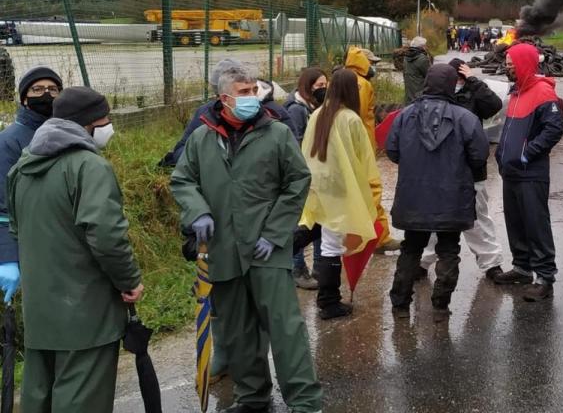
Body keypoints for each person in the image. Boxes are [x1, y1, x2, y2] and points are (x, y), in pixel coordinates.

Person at [171, 65, 322, 413]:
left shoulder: (277, 133)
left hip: (266, 249)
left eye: (254, 89)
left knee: (286, 329)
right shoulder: (201, 138)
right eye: (243, 92)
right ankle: (252, 396)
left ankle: (305, 401)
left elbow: (297, 182)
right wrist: (197, 211)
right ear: (223, 98)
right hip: (223, 250)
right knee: (238, 332)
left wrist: (275, 232)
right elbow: (183, 181)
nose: (252, 97)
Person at [8, 87, 143, 413]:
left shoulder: (22, 168)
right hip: (87, 315)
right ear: (89, 123)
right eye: (106, 119)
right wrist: (129, 281)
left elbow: (16, 228)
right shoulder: (88, 167)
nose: (109, 127)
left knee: (39, 398)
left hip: (41, 313)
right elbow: (107, 236)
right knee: (83, 400)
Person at [387, 64, 489, 320]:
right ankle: (440, 306)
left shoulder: (405, 115)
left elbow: (392, 151)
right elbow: (479, 157)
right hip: (452, 197)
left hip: (414, 196)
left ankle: (400, 304)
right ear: (452, 84)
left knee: (411, 249)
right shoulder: (466, 118)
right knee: (449, 249)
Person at [299, 68, 381, 320]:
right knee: (331, 244)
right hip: (339, 188)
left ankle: (278, 250)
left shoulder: (317, 114)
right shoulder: (350, 119)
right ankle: (329, 301)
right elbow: (363, 158)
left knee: (318, 229)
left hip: (318, 184)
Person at [420, 58, 506, 281]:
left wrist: (474, 81)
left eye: (461, 77)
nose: (457, 82)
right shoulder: (432, 100)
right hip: (439, 171)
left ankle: (491, 263)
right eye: (454, 78)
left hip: (469, 171)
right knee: (432, 218)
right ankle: (422, 261)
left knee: (477, 218)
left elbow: (495, 105)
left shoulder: (473, 93)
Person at [492, 43, 563, 301]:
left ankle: (545, 277)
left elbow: (554, 130)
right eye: (507, 64)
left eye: (511, 65)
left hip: (530, 172)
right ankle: (522, 267)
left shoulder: (543, 92)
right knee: (516, 222)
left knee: (536, 224)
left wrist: (527, 153)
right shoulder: (517, 92)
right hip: (510, 171)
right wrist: (502, 155)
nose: (507, 68)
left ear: (523, 65)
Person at [0, 66, 63, 305]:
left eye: (53, 89)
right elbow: (2, 205)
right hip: (30, 244)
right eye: (37, 89)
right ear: (25, 98)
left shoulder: (65, 135)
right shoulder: (9, 142)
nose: (46, 95)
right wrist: (7, 256)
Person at [160, 59, 295, 167]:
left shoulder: (275, 114)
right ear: (222, 97)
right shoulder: (206, 113)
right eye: (219, 95)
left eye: (249, 90)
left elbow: (292, 159)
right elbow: (182, 153)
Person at [345, 46, 402, 253]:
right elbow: (355, 117)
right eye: (372, 64)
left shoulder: (345, 81)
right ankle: (379, 239)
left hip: (355, 148)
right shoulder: (361, 85)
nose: (375, 68)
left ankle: (365, 239)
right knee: (372, 192)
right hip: (360, 150)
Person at [283, 67, 328, 290]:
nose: (323, 89)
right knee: (301, 223)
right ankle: (297, 268)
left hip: (316, 174)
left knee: (319, 220)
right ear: (307, 86)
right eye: (319, 85)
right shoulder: (296, 109)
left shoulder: (316, 106)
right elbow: (296, 143)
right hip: (301, 176)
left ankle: (320, 266)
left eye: (325, 85)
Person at [403, 36, 431, 104]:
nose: (426, 47)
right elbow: (429, 76)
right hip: (419, 96)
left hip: (409, 95)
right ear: (422, 47)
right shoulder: (423, 59)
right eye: (425, 45)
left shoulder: (406, 57)